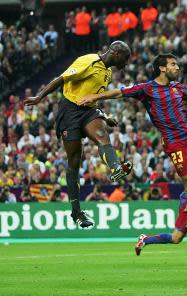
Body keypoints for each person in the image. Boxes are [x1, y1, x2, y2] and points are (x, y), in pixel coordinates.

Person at [77, 53, 187, 246]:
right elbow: (118, 93)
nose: (177, 67)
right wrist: (95, 96)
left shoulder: (178, 87)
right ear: (162, 68)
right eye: (173, 64)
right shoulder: (147, 89)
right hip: (176, 142)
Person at [24, 41, 133, 228]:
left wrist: (105, 117)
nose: (126, 62)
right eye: (125, 58)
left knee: (102, 136)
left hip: (89, 111)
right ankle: (76, 212)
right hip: (70, 110)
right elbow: (61, 79)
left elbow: (92, 98)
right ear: (115, 53)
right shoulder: (89, 61)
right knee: (74, 158)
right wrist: (39, 97)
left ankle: (116, 168)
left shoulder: (107, 73)